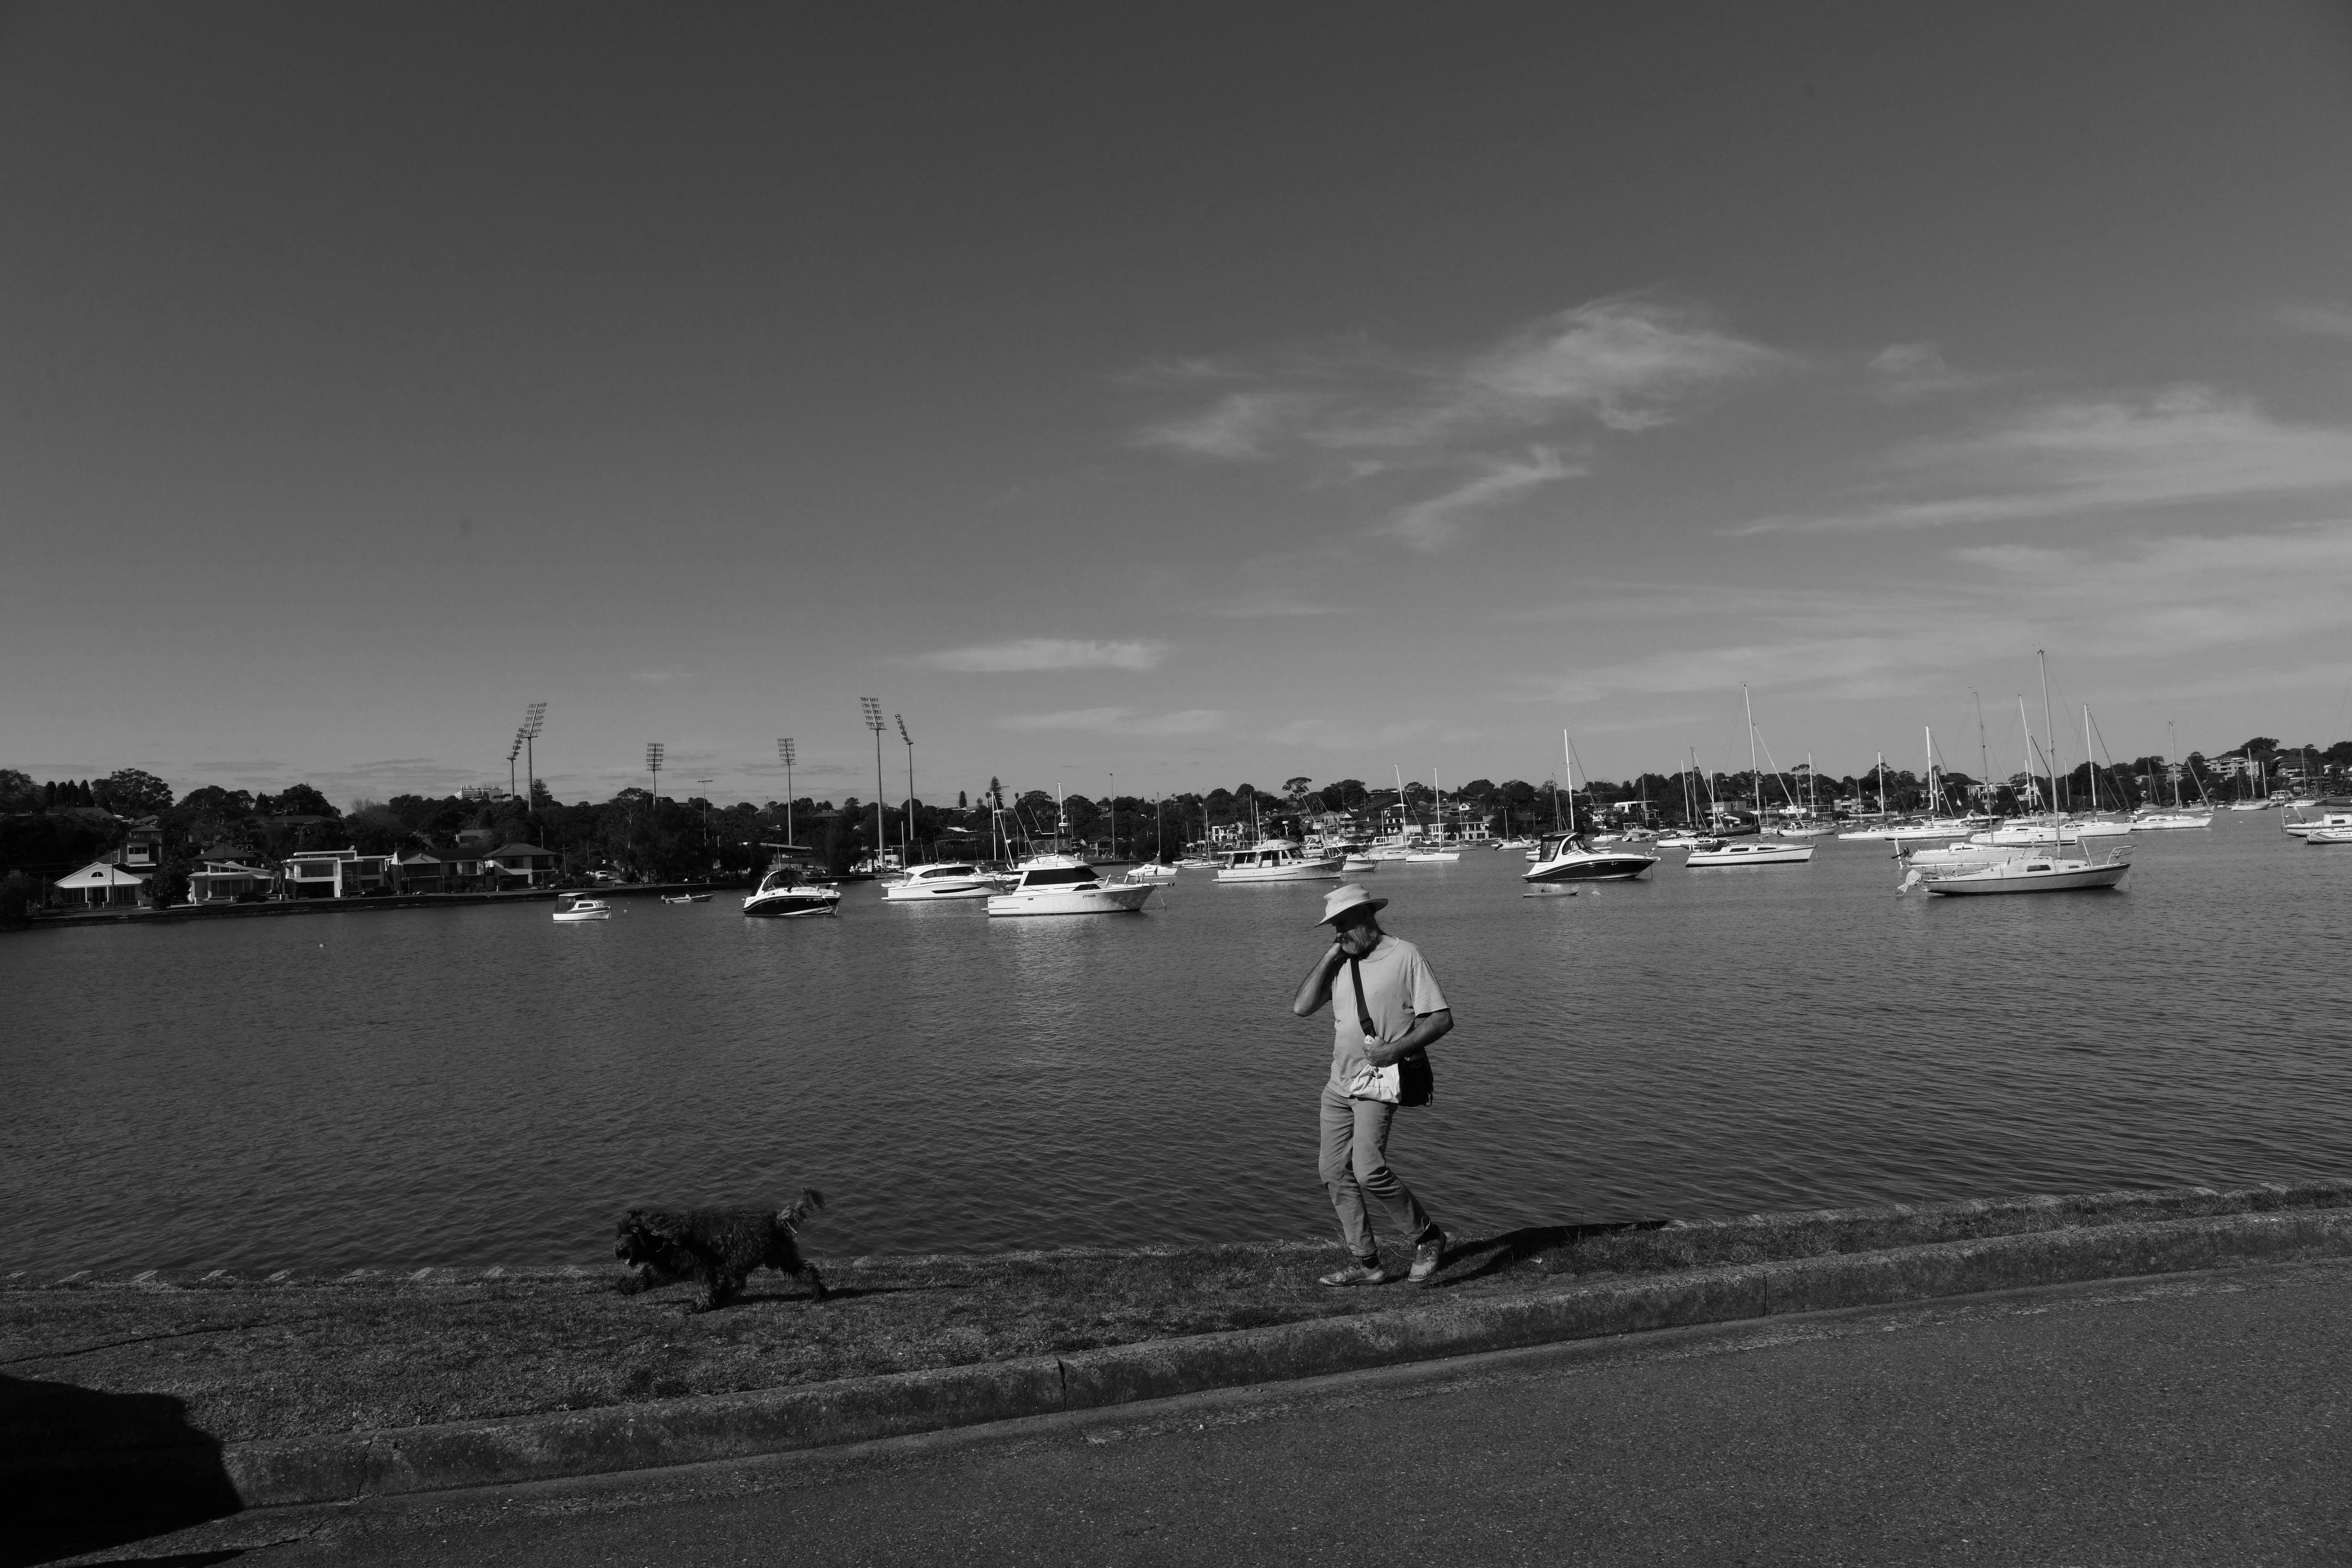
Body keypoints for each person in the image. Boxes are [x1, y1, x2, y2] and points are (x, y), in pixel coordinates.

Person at [1290, 882, 1454, 1286]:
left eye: (1343, 924)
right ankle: (1368, 1265)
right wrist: (1331, 953)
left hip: (1378, 1082)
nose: (1338, 932)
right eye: (1333, 926)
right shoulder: (1341, 959)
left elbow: (1441, 1019)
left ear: (1367, 917)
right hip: (1338, 1084)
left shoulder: (1406, 955)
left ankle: (1427, 1236)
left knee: (1368, 1170)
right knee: (1332, 1171)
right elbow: (1301, 1007)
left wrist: (1393, 1051)